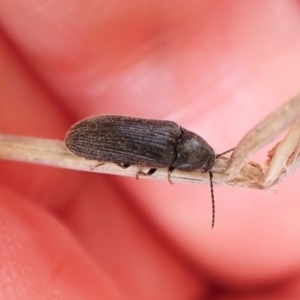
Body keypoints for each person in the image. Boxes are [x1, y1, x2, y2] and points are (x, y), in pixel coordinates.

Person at [1, 1, 300, 299]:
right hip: (90, 138)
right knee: (130, 161)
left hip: (94, 132)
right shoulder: (163, 157)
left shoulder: (173, 133)